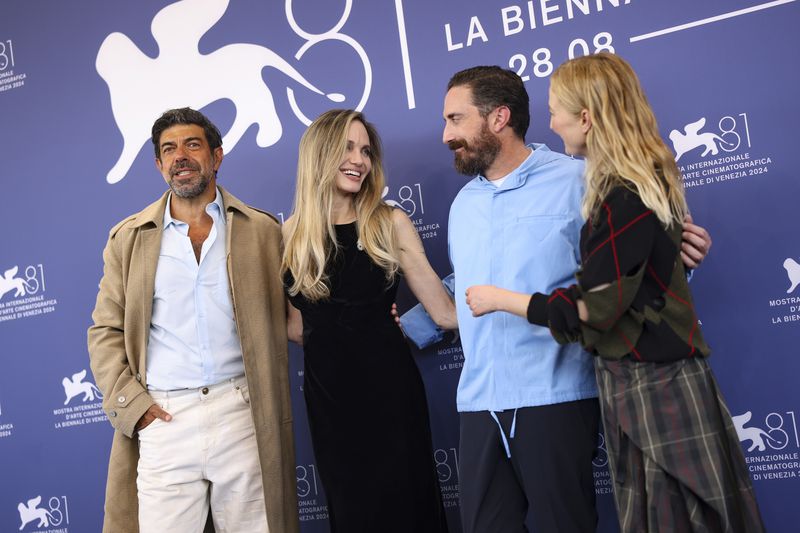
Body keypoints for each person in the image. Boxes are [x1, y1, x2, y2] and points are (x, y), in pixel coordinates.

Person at [465, 53, 764, 532]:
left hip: (653, 383)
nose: (551, 121)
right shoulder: (634, 184)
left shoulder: (621, 192)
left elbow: (597, 308)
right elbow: (634, 281)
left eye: (556, 108)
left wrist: (505, 301)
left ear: (586, 117)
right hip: (639, 380)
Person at [87, 108, 298, 533]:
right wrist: (134, 406)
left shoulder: (262, 231)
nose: (180, 156)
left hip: (242, 410)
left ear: (217, 157)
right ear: (159, 164)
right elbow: (105, 331)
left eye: (192, 144)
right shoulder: (128, 238)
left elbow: (299, 312)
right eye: (169, 149)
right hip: (165, 416)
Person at [281, 109, 455, 532]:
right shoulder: (289, 236)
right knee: (353, 513)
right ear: (318, 154)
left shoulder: (389, 222)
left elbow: (445, 312)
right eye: (347, 147)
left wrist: (512, 299)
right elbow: (295, 327)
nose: (359, 159)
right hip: (330, 406)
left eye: (365, 151)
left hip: (392, 398)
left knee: (408, 509)